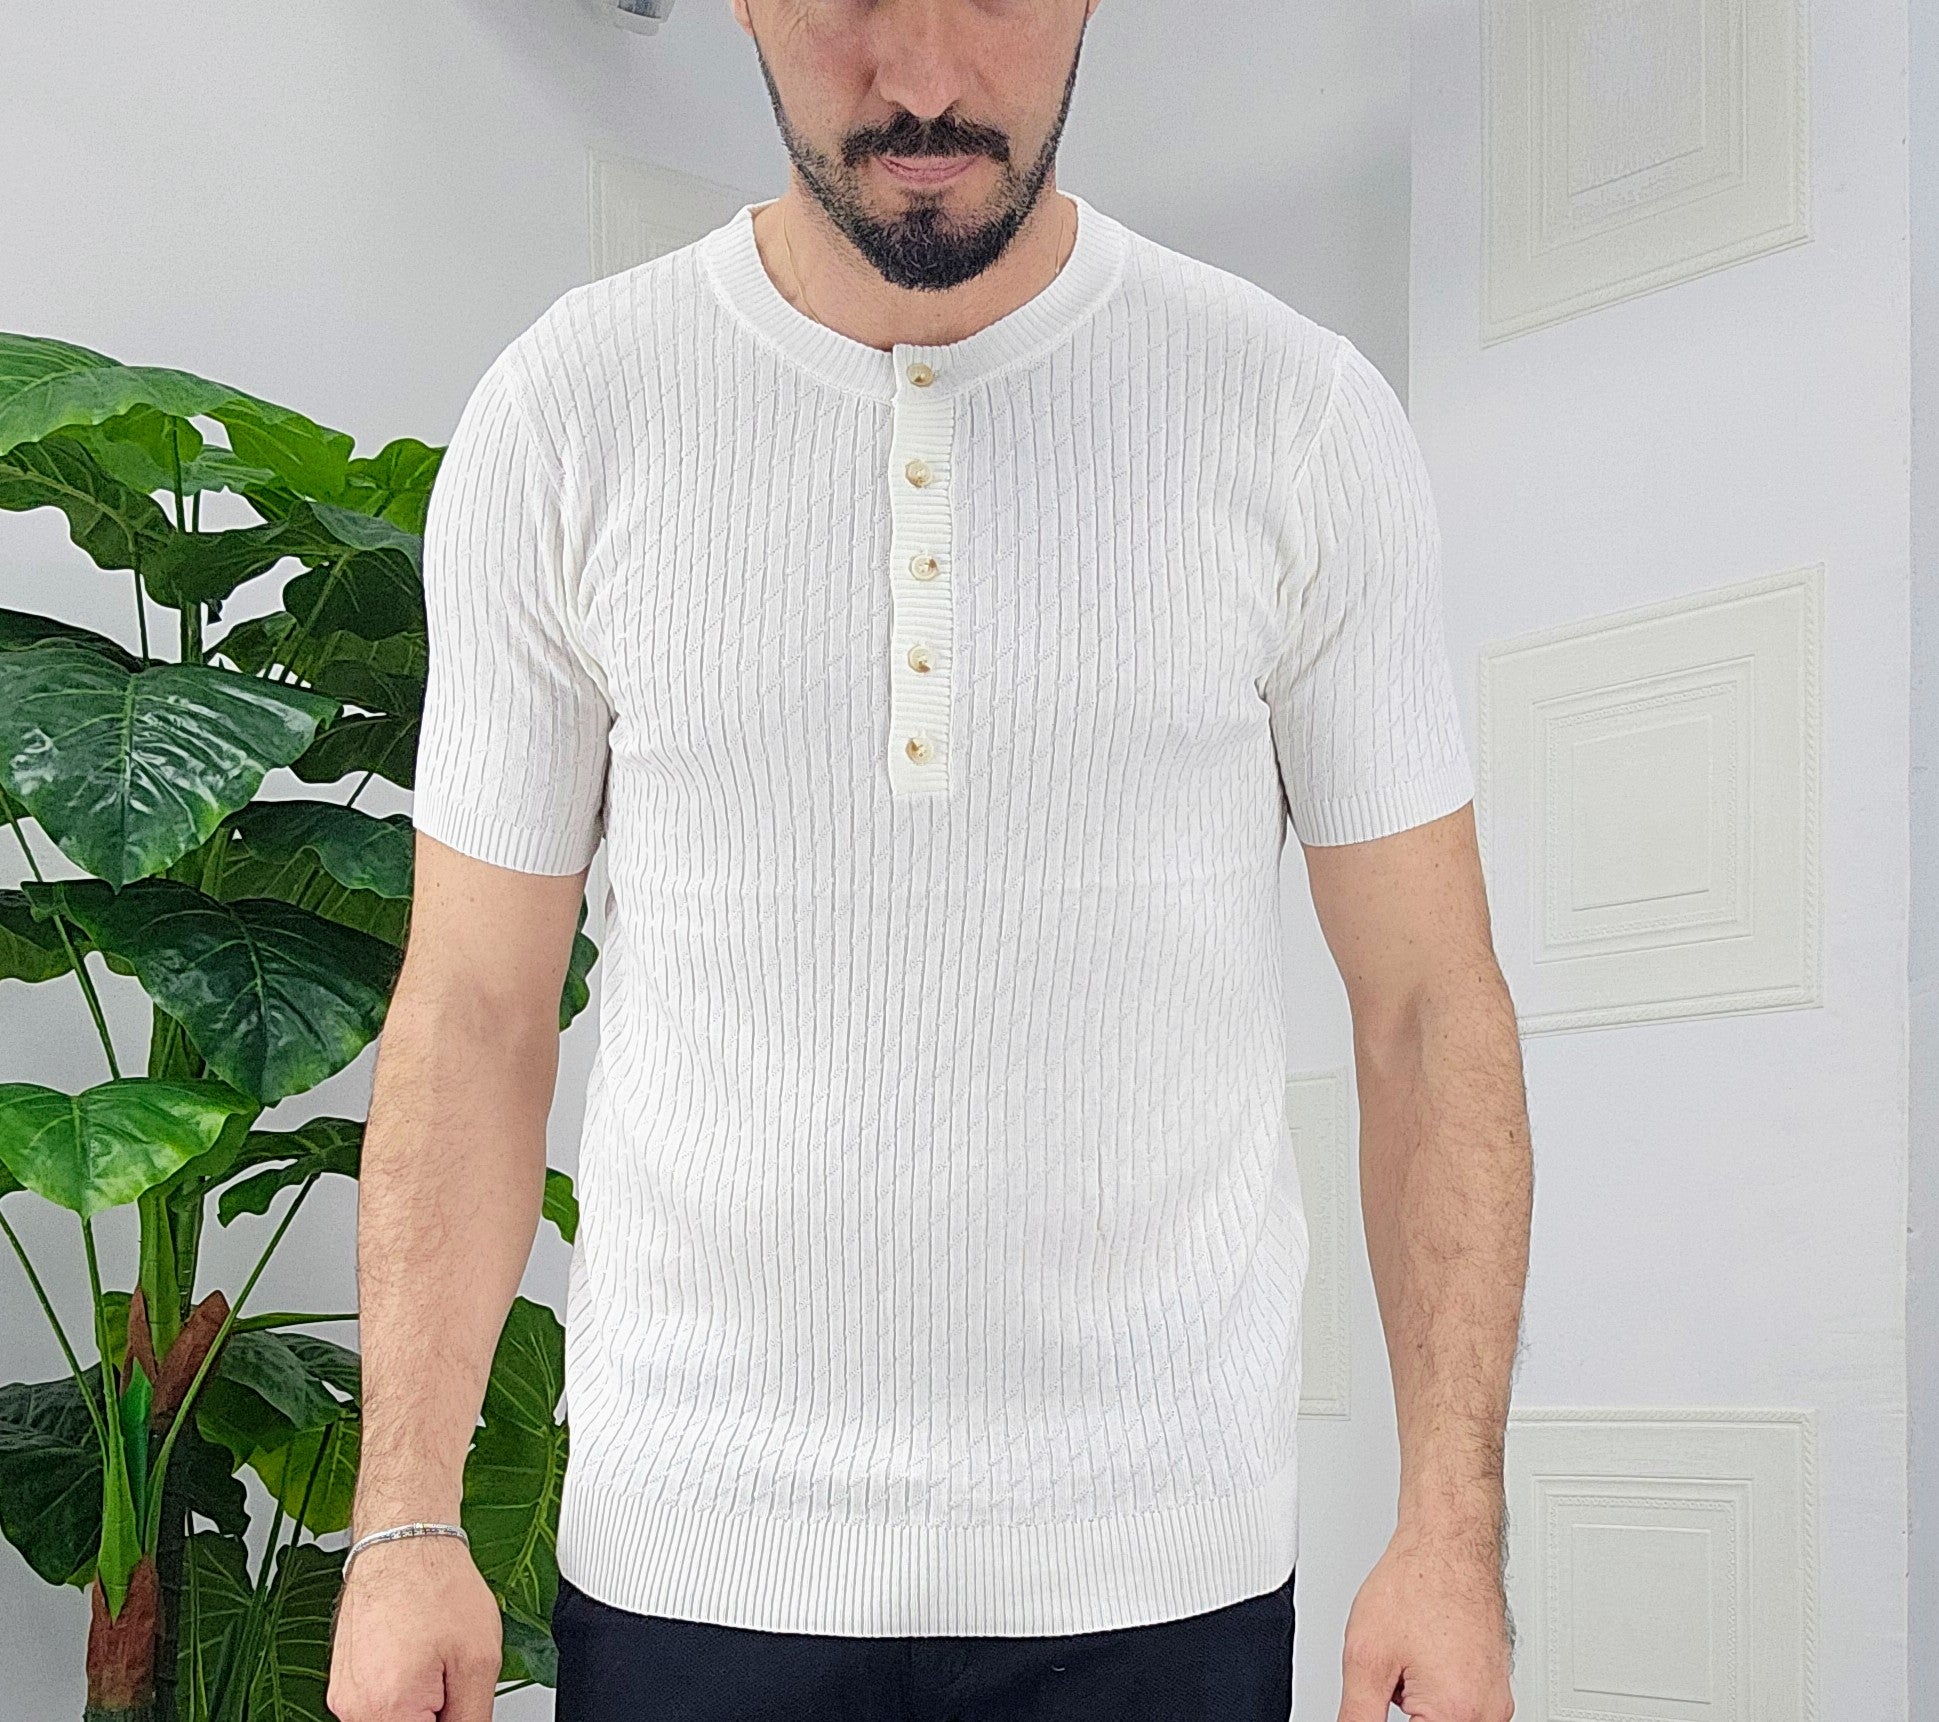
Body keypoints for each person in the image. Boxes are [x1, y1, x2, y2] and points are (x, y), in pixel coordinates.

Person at [324, 2, 1531, 1718]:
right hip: (689, 1570)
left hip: (1160, 1574)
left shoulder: (1296, 420)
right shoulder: (565, 416)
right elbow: (473, 1011)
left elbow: (1425, 1007)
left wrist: (1451, 1535)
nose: (924, 83)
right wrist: (401, 1524)